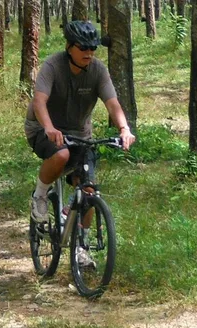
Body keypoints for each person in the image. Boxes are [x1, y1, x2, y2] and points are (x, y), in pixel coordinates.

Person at [25, 21, 136, 264]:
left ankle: (81, 247)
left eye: (93, 48)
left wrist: (124, 129)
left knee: (88, 189)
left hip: (80, 134)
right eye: (82, 48)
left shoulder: (98, 70)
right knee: (62, 155)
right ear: (69, 47)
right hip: (44, 129)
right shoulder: (53, 66)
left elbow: (112, 103)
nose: (88, 53)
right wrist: (49, 128)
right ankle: (40, 195)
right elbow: (39, 102)